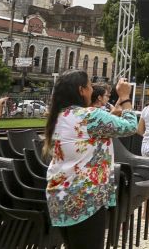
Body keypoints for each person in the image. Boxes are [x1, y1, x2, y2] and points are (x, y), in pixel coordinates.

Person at [44, 72, 137, 249]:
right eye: (90, 85)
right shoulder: (91, 116)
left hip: (59, 195)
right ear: (81, 90)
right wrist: (125, 97)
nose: (93, 89)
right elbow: (130, 126)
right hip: (84, 198)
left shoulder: (58, 115)